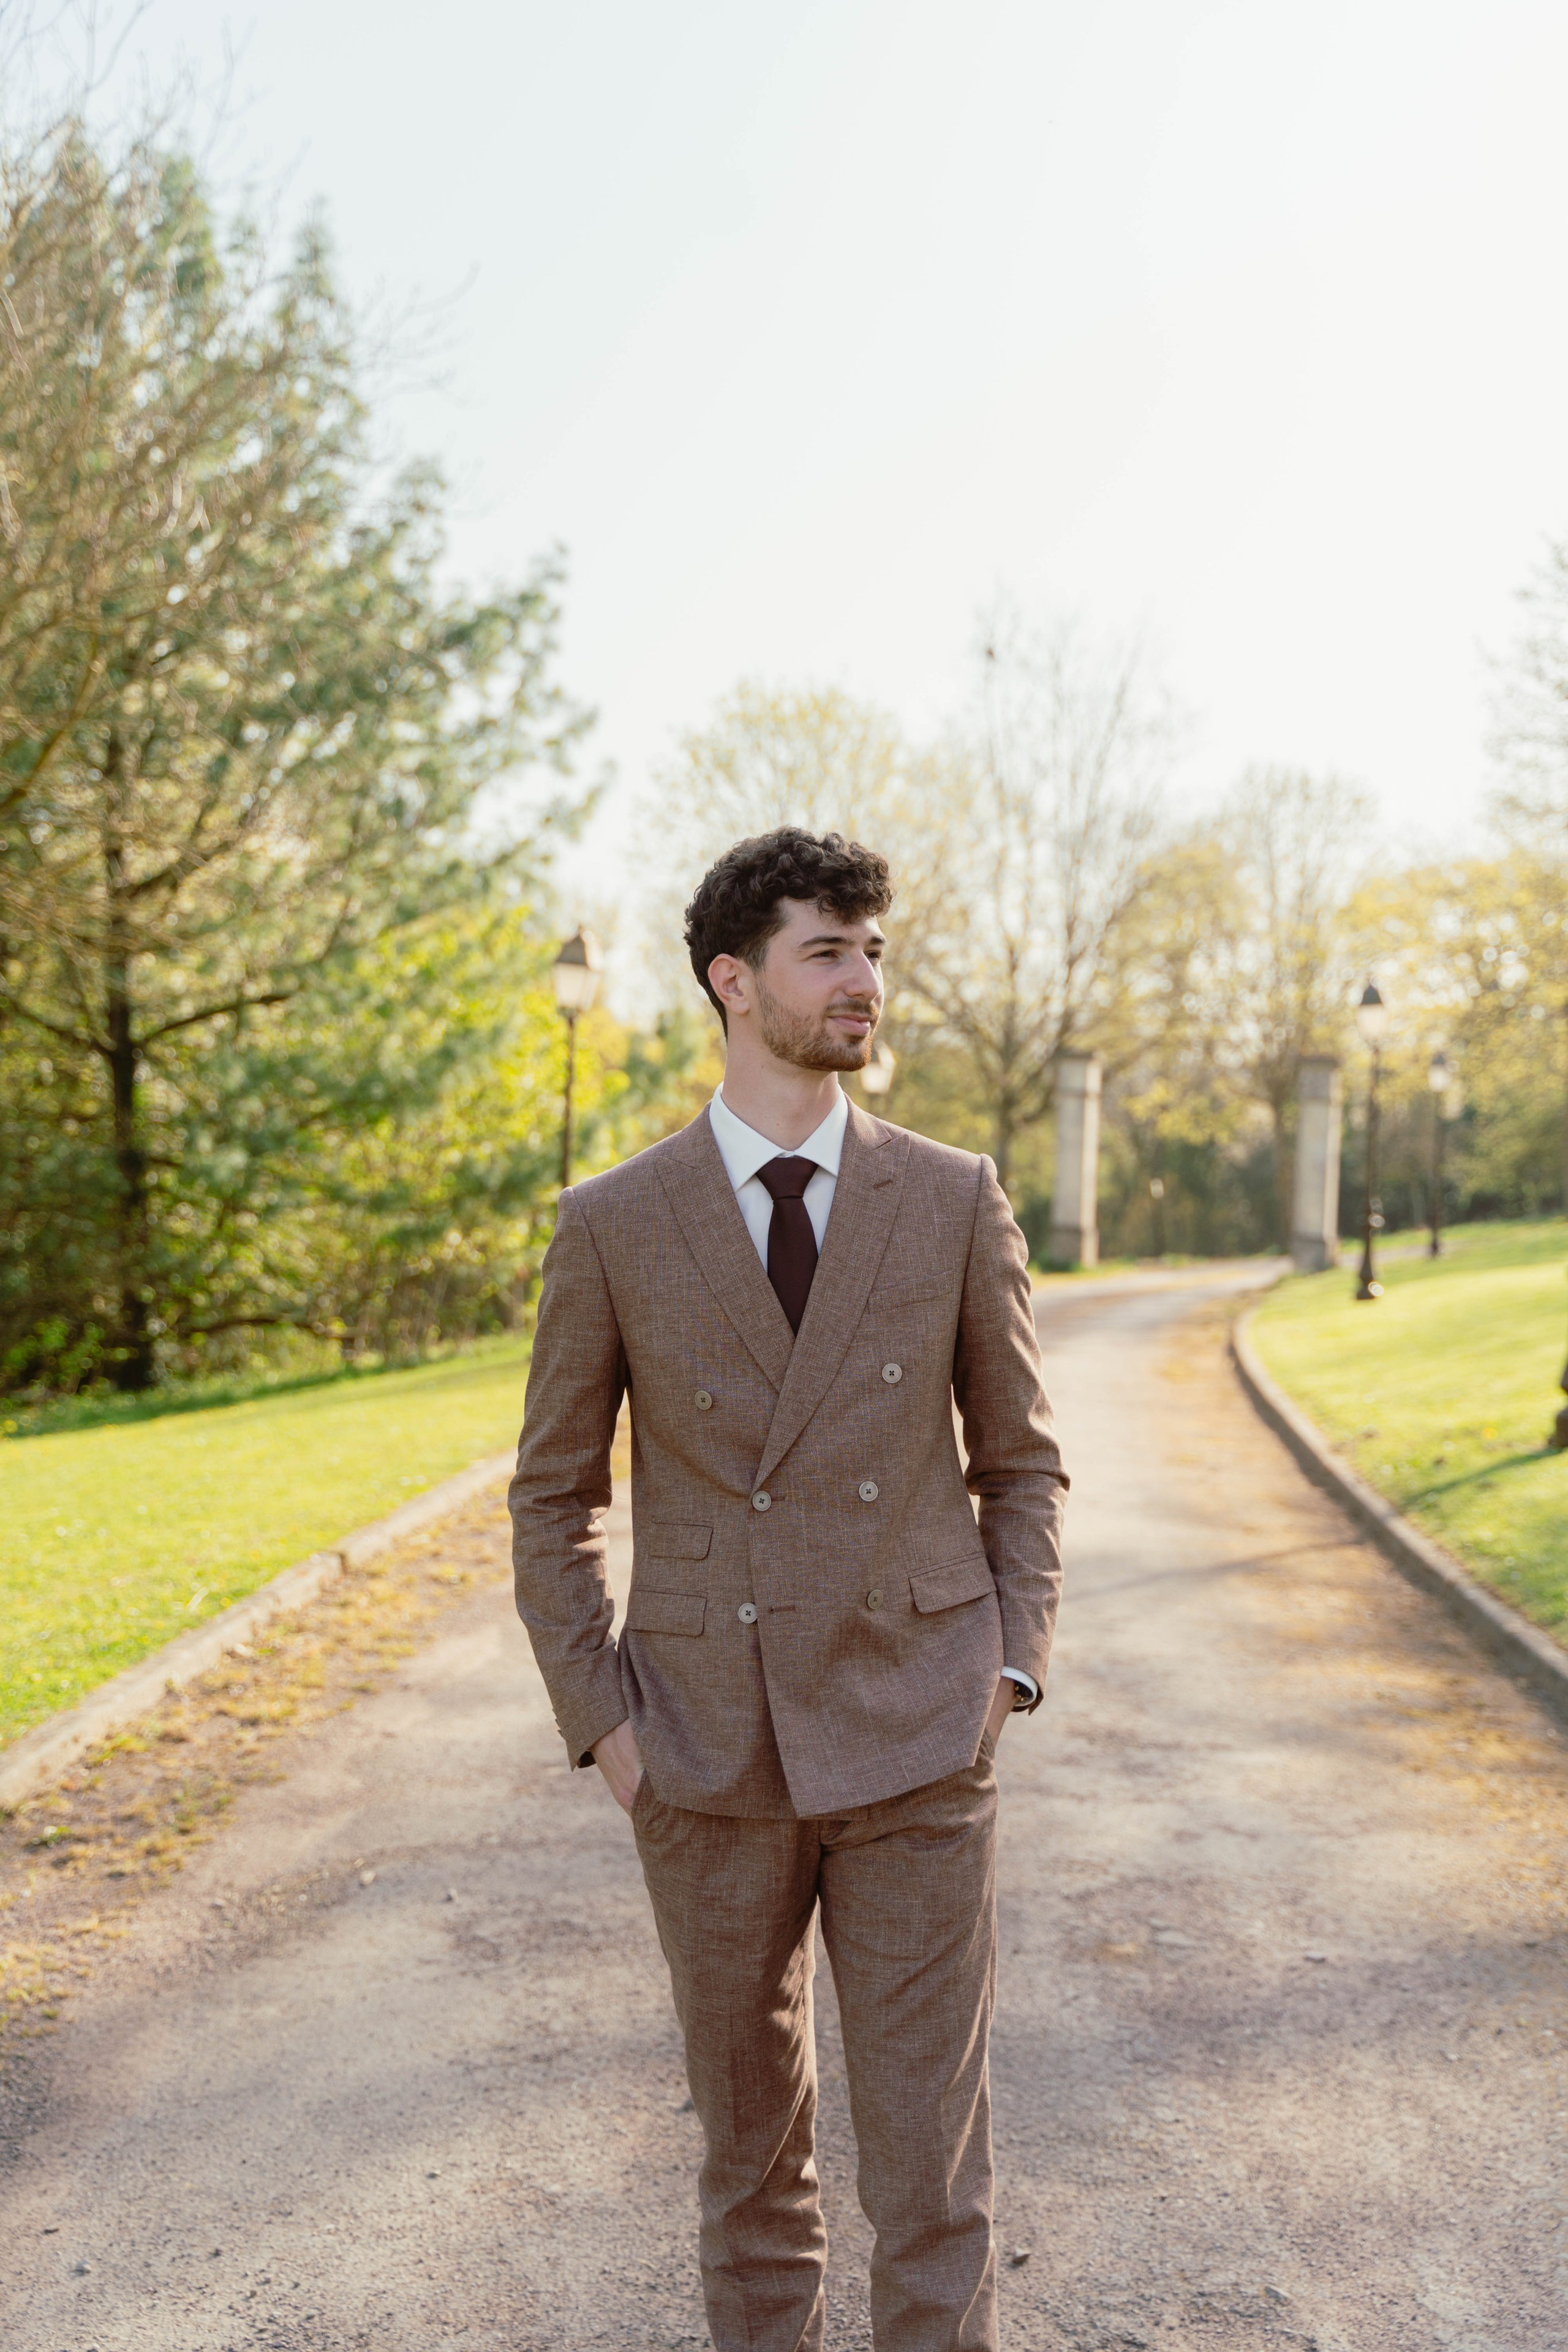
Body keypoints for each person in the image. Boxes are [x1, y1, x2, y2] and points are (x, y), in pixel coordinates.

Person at [510, 826, 1069, 2352]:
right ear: (731, 980)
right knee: (748, 2171)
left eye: (873, 951)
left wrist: (1002, 1670)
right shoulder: (612, 1223)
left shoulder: (951, 1197)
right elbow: (551, 1496)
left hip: (916, 1734)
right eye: (828, 950)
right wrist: (603, 1722)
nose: (863, 982)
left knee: (929, 2176)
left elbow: (1019, 1461)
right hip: (702, 1751)